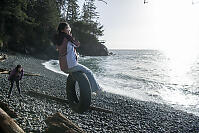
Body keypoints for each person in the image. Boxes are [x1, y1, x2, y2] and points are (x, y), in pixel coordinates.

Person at [53, 22, 102, 93]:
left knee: (82, 72)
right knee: (89, 72)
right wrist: (70, 36)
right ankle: (97, 89)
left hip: (63, 67)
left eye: (69, 28)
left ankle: (91, 87)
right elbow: (77, 44)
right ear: (62, 30)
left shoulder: (58, 39)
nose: (69, 29)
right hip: (71, 65)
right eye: (67, 28)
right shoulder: (67, 38)